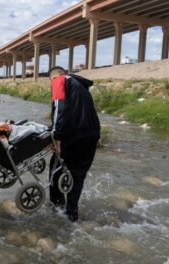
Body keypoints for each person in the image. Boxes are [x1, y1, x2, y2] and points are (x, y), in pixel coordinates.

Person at [48, 66, 100, 222]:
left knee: (56, 168)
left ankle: (56, 208)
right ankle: (71, 215)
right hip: (92, 135)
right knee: (78, 175)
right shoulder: (82, 87)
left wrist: (56, 136)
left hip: (74, 135)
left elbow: (60, 109)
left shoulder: (59, 80)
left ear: (54, 76)